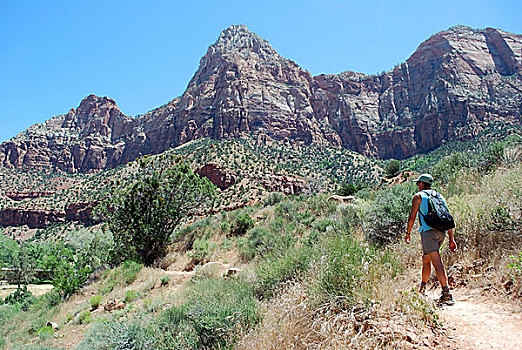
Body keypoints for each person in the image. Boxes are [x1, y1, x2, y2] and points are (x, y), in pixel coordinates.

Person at [405, 173, 457, 305]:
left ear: (422, 184)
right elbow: (447, 218)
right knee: (426, 259)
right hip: (442, 233)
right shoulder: (439, 196)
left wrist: (408, 233)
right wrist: (451, 239)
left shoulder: (418, 197)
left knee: (436, 261)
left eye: (418, 183)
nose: (417, 186)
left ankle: (446, 293)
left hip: (428, 233)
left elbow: (411, 218)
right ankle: (422, 287)